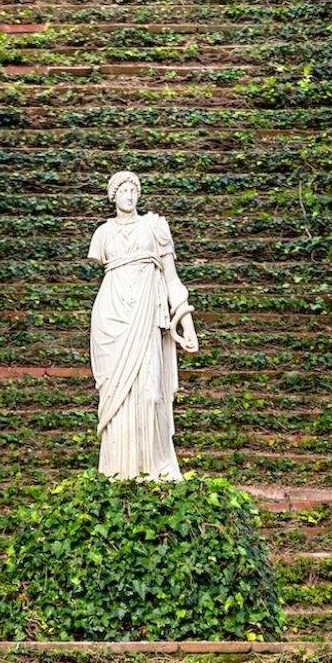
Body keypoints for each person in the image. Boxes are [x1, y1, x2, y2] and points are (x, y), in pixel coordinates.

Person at [87, 171, 198, 480]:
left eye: (133, 189)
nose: (129, 195)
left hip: (147, 316)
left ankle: (153, 468)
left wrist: (187, 325)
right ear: (113, 196)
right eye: (122, 190)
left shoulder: (155, 227)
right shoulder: (103, 234)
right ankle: (116, 472)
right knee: (116, 397)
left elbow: (173, 281)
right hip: (111, 317)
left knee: (151, 394)